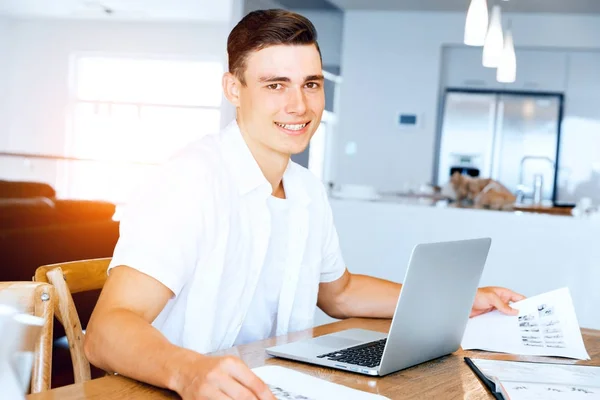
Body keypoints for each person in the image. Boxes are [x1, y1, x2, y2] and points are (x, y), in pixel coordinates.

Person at [84, 9, 525, 400]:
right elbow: (105, 332)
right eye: (276, 85)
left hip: (272, 384)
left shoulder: (306, 190)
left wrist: (463, 299)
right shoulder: (191, 180)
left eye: (310, 84)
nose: (299, 105)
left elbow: (341, 292)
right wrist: (190, 372)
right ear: (233, 89)